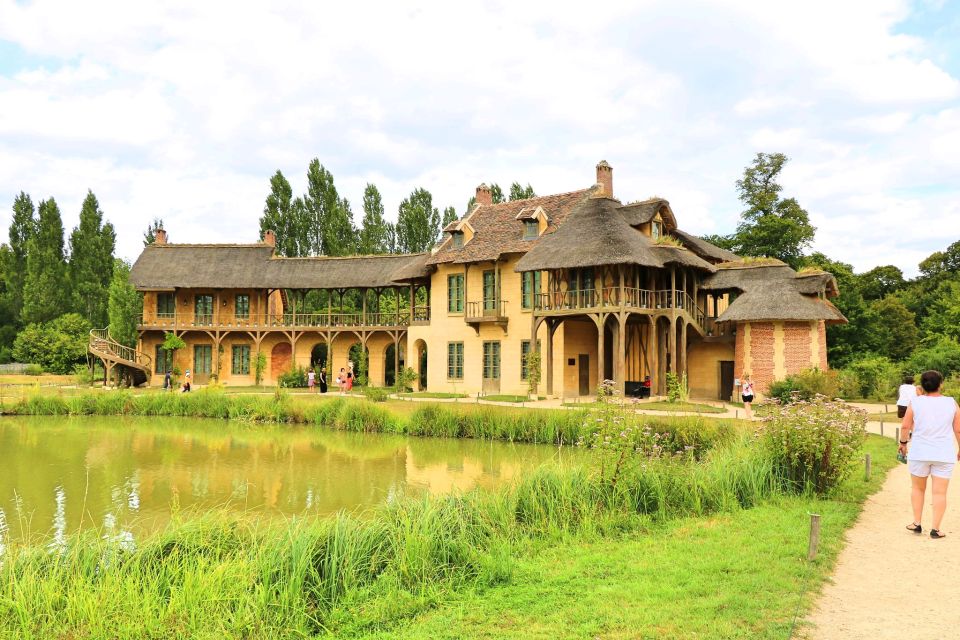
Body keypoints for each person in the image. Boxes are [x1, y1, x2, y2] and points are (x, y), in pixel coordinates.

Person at [899, 370, 960, 539]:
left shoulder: (915, 402)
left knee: (918, 489)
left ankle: (917, 523)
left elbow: (905, 426)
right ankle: (936, 529)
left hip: (919, 452)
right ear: (941, 384)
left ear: (923, 385)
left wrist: (903, 444)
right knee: (940, 493)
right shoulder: (951, 403)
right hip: (943, 454)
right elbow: (958, 429)